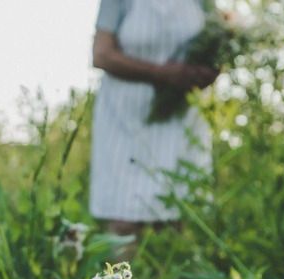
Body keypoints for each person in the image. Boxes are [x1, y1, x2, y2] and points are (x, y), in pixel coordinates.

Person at [89, 0, 218, 244]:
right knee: (123, 220)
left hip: (180, 118)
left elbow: (218, 41)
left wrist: (205, 74)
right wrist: (161, 74)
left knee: (171, 219)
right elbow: (102, 54)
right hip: (123, 120)